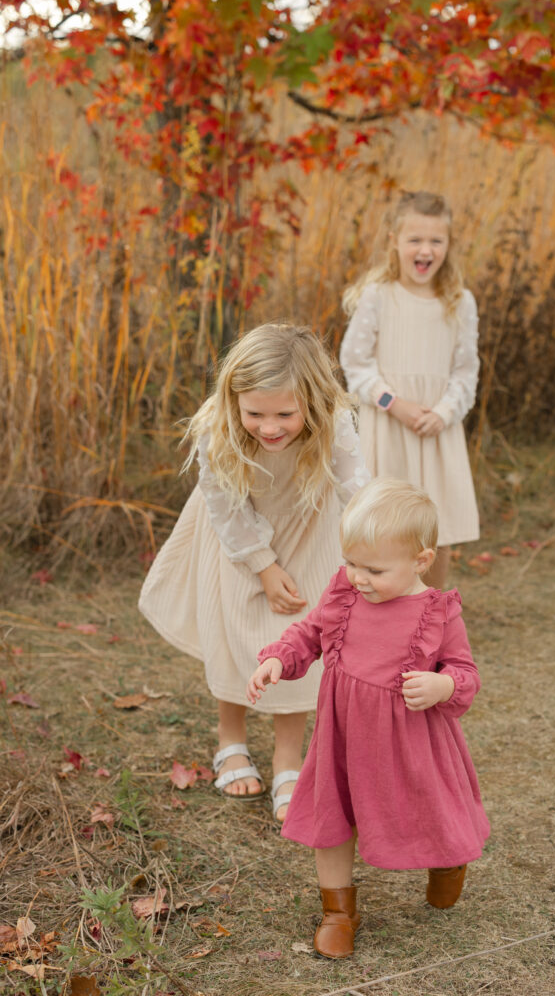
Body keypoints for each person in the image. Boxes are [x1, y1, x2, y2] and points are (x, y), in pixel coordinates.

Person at [247, 477, 489, 958]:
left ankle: (447, 860)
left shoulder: (437, 613)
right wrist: (279, 658)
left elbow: (465, 672)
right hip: (343, 737)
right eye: (351, 562)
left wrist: (442, 685)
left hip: (411, 742)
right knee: (332, 816)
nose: (359, 577)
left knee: (427, 808)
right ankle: (338, 912)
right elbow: (308, 634)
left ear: (421, 560)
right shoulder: (345, 596)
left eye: (374, 569)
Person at [139, 324, 370, 823]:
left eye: (285, 414)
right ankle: (232, 738)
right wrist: (262, 565)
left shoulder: (335, 422)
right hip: (237, 536)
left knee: (299, 638)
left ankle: (288, 758)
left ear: (312, 400)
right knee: (235, 632)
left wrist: (373, 546)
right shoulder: (218, 426)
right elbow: (223, 503)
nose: (269, 428)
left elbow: (356, 488)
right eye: (255, 413)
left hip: (308, 531)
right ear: (234, 400)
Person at [340, 190, 480, 591]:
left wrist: (444, 413)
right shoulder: (378, 296)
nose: (425, 250)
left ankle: (430, 611)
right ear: (395, 241)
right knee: (381, 526)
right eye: (415, 239)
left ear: (448, 245)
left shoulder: (460, 302)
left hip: (437, 432)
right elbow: (355, 363)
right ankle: (378, 609)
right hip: (389, 427)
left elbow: (466, 371)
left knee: (437, 529)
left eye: (436, 241)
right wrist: (394, 404)